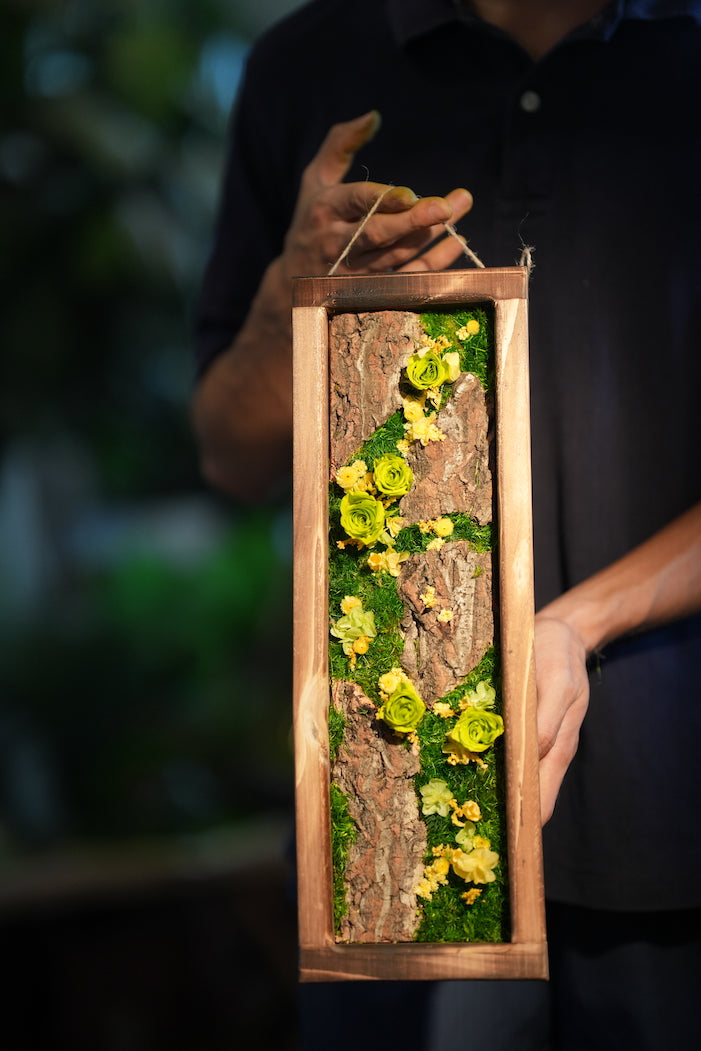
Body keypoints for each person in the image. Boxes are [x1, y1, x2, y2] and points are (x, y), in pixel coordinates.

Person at [192, 1, 701, 1047]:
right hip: (381, 850)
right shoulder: (308, 63)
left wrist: (571, 623)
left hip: (672, 831)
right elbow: (229, 452)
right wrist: (290, 294)